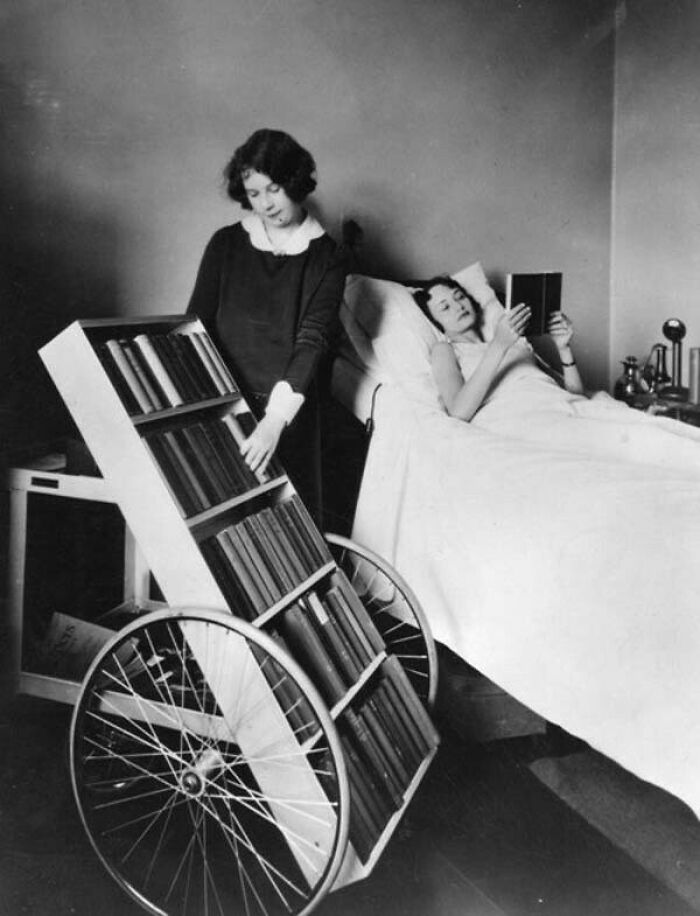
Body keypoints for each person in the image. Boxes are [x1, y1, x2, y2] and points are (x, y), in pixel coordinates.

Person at [186, 129, 347, 522]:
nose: (265, 204)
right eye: (254, 194)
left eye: (273, 189)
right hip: (224, 406)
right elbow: (195, 325)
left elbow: (312, 340)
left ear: (294, 182)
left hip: (289, 417)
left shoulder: (328, 257)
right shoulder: (225, 244)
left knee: (289, 534)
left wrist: (274, 421)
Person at [413, 276, 700, 472]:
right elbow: (458, 411)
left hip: (565, 407)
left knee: (659, 433)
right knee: (634, 448)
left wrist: (564, 349)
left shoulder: (512, 341)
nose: (458, 306)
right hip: (525, 418)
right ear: (435, 320)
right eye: (445, 306)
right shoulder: (446, 350)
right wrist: (499, 345)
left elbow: (572, 394)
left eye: (459, 296)